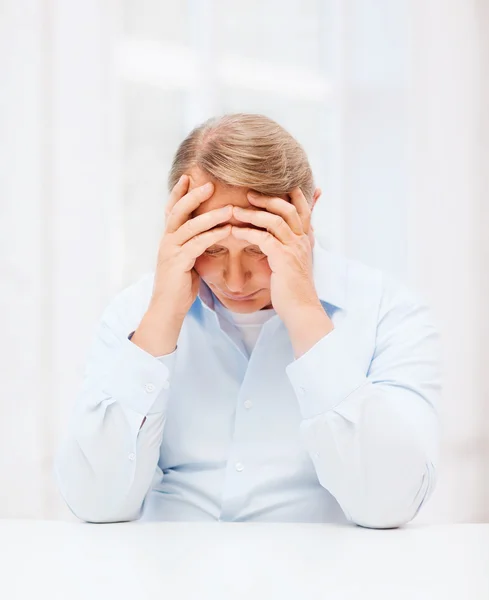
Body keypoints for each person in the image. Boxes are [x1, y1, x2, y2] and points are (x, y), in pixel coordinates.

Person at [54, 113, 442, 527]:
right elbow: (93, 502)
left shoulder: (388, 313)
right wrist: (161, 319)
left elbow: (391, 504)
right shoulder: (132, 315)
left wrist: (306, 316)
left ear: (308, 213)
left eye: (260, 249)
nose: (235, 281)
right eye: (214, 249)